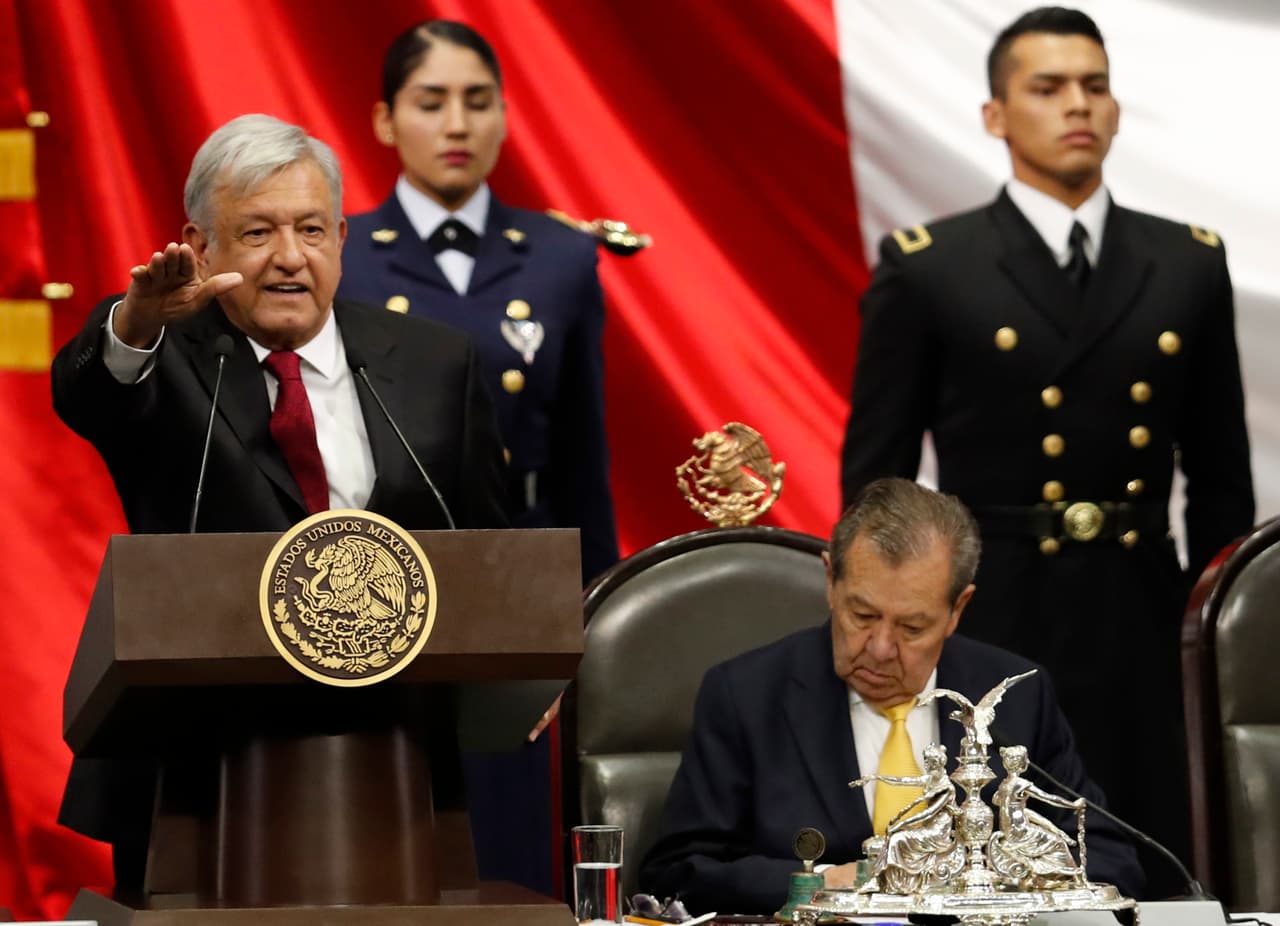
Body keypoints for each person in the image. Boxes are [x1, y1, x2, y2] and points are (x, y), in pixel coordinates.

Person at [838, 7, 1253, 895]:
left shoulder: (1185, 261)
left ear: (1116, 109)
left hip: (1143, 611)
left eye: (1095, 86)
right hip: (996, 615)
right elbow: (879, 479)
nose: (1078, 105)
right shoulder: (931, 265)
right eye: (1048, 87)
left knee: (1148, 855)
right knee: (995, 861)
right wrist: (900, 627)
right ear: (995, 114)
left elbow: (1221, 478)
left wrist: (1207, 631)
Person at [50, 113, 508, 892]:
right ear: (201, 247)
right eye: (258, 232)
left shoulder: (435, 362)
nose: (290, 257)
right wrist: (136, 321)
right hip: (193, 769)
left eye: (312, 230)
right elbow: (88, 392)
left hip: (394, 758)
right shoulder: (163, 353)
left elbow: (487, 548)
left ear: (342, 240)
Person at [639, 478, 1143, 914]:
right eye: (862, 616)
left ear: (957, 610)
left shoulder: (1014, 693)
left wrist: (991, 886)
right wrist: (821, 882)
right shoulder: (746, 695)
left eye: (912, 627)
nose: (880, 649)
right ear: (830, 581)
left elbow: (1109, 858)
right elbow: (678, 874)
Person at [339, 19, 618, 584]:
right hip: (381, 561)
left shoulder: (560, 257)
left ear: (505, 117)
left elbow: (582, 453)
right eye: (431, 104)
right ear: (385, 122)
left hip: (529, 553)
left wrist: (598, 594)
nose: (457, 126)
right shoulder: (340, 256)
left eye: (478, 102)